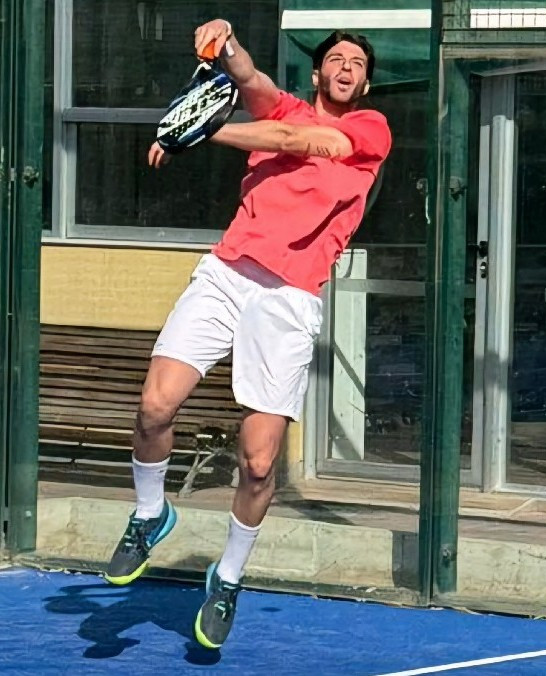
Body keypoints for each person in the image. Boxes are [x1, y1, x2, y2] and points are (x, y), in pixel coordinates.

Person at [104, 18, 391, 650]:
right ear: (317, 73)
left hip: (289, 299)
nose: (346, 68)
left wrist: (200, 130)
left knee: (259, 462)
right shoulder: (282, 104)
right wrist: (226, 41)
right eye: (336, 59)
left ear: (365, 83)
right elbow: (250, 79)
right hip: (227, 273)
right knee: (154, 407)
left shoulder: (369, 130)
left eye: (357, 64)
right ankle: (150, 514)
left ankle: (228, 577)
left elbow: (296, 140)